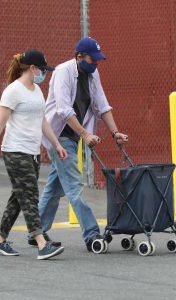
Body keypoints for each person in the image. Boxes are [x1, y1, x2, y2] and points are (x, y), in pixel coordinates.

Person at [28, 37, 128, 251]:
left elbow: (102, 104)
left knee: (56, 186)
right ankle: (92, 235)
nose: (96, 64)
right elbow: (64, 111)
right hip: (58, 137)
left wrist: (115, 132)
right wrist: (85, 135)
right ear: (79, 56)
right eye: (93, 60)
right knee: (74, 186)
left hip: (75, 136)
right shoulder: (64, 73)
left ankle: (35, 230)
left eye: (98, 61)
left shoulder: (92, 73)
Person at [0, 49, 68, 260]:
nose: (44, 74)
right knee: (29, 196)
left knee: (18, 197)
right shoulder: (13, 91)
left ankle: (0, 240)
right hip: (14, 151)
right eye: (42, 70)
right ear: (32, 68)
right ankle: (41, 243)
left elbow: (42, 120)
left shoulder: (36, 90)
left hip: (32, 151)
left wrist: (56, 144)